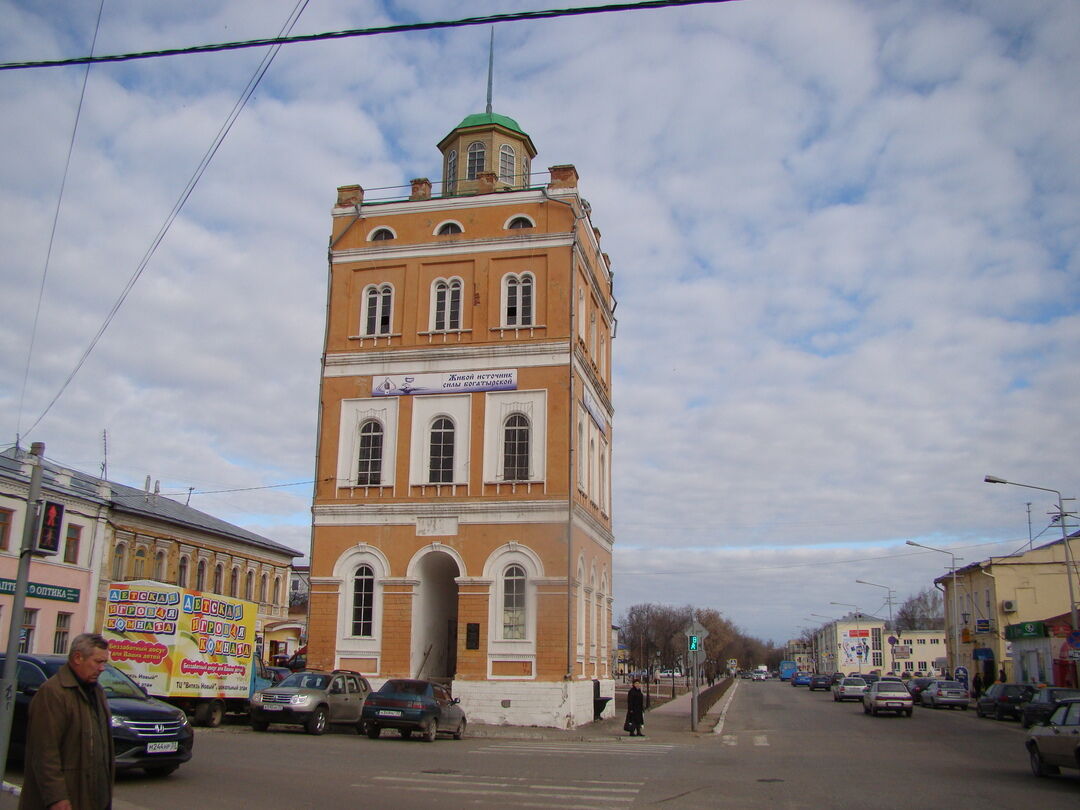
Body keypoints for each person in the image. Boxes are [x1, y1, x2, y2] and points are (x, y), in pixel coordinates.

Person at [19, 633, 114, 810]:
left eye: (104, 663)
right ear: (78, 658)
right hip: (66, 797)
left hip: (93, 796)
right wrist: (57, 798)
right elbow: (45, 752)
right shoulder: (53, 693)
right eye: (97, 662)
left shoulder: (97, 691)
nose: (102, 668)